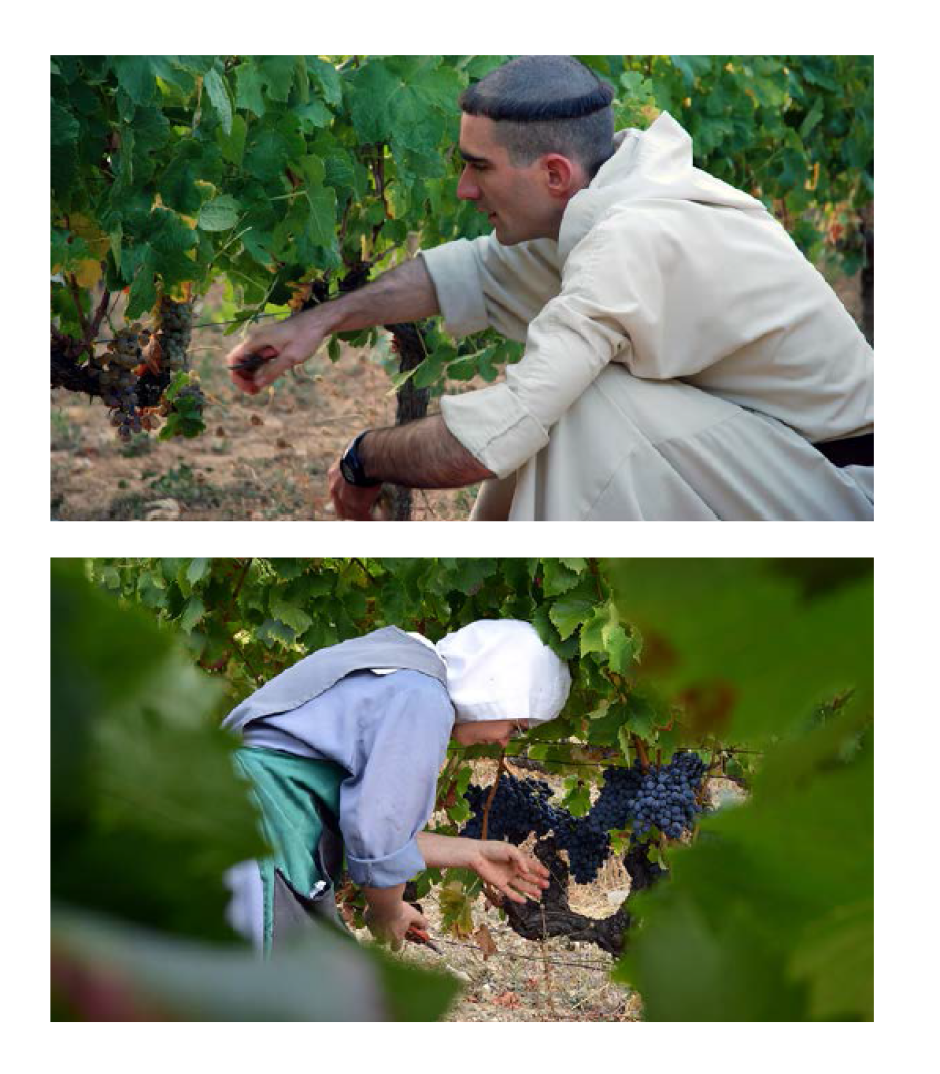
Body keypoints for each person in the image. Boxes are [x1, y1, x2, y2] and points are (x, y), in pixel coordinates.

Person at [225, 55, 874, 521]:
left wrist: (363, 457)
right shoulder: (610, 194)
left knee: (584, 407)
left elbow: (487, 441)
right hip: (783, 456)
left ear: (556, 173)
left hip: (848, 491)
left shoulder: (627, 241)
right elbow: (468, 272)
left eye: (479, 168)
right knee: (581, 401)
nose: (463, 190)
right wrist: (315, 323)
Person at [222, 619, 570, 955]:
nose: (503, 742)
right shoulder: (422, 697)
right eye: (516, 726)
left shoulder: (401, 668)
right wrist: (388, 913)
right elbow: (379, 838)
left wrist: (473, 854)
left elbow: (374, 827)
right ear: (498, 690)